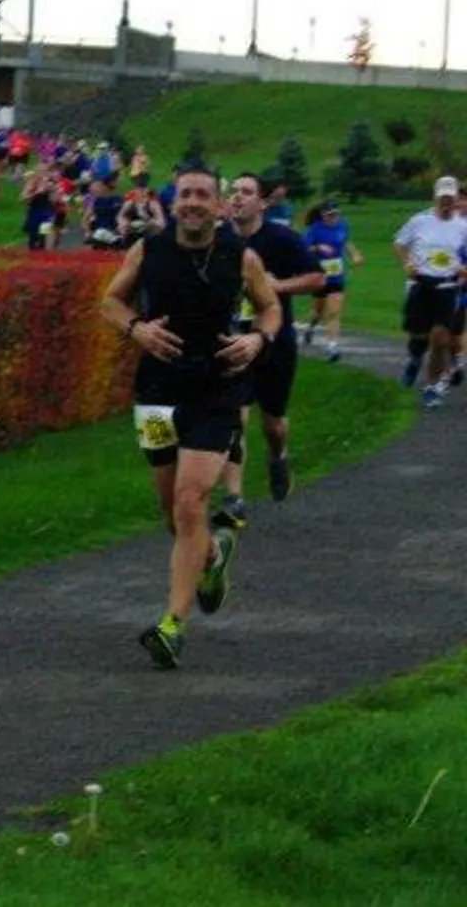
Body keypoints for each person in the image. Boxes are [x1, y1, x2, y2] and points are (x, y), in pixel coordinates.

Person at [98, 162, 281, 670]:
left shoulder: (239, 257)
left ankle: (172, 625)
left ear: (219, 205)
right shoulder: (149, 250)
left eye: (204, 194)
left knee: (189, 497)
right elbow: (109, 301)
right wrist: (136, 328)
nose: (194, 203)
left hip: (217, 389)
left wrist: (256, 338)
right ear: (173, 202)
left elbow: (271, 309)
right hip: (156, 393)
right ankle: (212, 557)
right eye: (186, 195)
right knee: (173, 516)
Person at [212, 173, 324, 527]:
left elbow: (318, 278)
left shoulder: (282, 239)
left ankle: (279, 458)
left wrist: (279, 286)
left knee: (273, 424)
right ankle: (234, 499)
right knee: (235, 418)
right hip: (231, 342)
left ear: (262, 202)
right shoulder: (217, 240)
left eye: (246, 192)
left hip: (275, 340)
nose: (237, 198)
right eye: (234, 191)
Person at [392, 175, 466, 409]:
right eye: (442, 197)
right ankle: (415, 359)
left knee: (441, 338)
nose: (446, 202)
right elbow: (399, 243)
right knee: (419, 335)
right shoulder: (420, 221)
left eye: (450, 198)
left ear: (455, 199)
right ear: (435, 198)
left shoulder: (463, 226)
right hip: (420, 285)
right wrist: (407, 264)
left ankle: (431, 386)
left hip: (447, 286)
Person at [301, 199, 364, 362]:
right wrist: (318, 248)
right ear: (322, 215)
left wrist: (355, 254)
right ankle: (310, 328)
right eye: (329, 215)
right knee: (318, 312)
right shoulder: (314, 229)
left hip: (337, 275)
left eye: (335, 214)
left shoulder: (343, 225)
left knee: (334, 312)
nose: (333, 218)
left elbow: (346, 242)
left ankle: (332, 346)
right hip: (320, 276)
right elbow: (304, 249)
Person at [20, 161, 60, 250]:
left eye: (45, 171)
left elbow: (55, 200)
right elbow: (23, 198)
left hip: (46, 212)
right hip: (33, 212)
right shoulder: (31, 182)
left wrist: (52, 191)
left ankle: (47, 253)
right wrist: (37, 192)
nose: (42, 174)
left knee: (45, 234)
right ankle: (35, 255)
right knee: (33, 239)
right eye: (40, 171)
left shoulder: (51, 183)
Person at [118, 176, 166, 249]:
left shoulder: (153, 204)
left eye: (143, 189)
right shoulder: (129, 204)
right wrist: (125, 225)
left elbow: (161, 223)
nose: (141, 192)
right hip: (132, 235)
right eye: (138, 189)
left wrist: (149, 221)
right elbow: (121, 217)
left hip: (148, 235)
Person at [81, 176, 125, 251]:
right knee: (100, 234)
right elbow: (85, 219)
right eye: (93, 188)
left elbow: (123, 215)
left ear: (104, 187)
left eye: (98, 187)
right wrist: (88, 232)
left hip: (115, 231)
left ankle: (116, 241)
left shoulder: (119, 199)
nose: (95, 190)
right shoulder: (96, 202)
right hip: (101, 231)